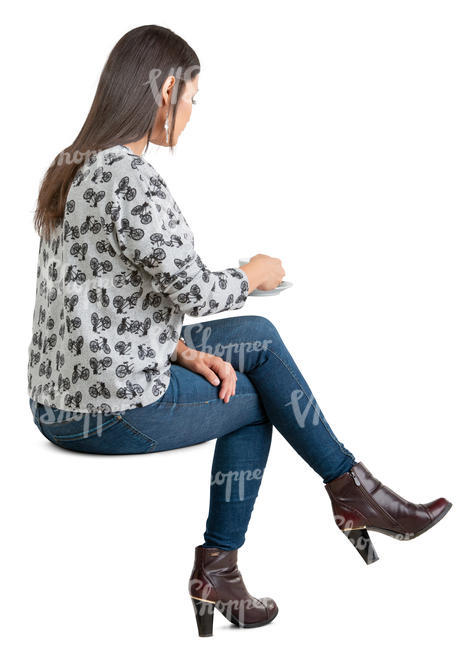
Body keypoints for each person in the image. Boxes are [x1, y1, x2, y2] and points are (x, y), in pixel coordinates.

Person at [27, 25, 452, 638]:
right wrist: (253, 273)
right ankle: (246, 552)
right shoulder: (132, 180)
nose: (192, 115)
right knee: (260, 404)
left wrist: (180, 350)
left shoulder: (70, 169)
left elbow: (88, 302)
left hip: (55, 401)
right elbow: (195, 290)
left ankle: (348, 494)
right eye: (193, 99)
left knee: (255, 337)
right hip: (111, 409)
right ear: (166, 90)